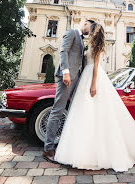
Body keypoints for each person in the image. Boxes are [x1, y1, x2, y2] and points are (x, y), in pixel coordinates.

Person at [54, 21, 135, 172]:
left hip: (92, 78)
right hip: (84, 77)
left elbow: (95, 67)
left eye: (91, 28)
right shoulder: (88, 44)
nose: (88, 31)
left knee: (94, 112)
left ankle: (91, 153)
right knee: (84, 113)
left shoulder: (98, 47)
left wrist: (94, 85)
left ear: (94, 31)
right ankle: (81, 147)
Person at [42, 20, 92, 162]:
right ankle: (48, 149)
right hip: (67, 77)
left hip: (76, 78)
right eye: (91, 27)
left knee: (74, 110)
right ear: (85, 23)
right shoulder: (72, 33)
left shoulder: (82, 40)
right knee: (58, 110)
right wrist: (65, 72)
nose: (91, 30)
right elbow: (63, 51)